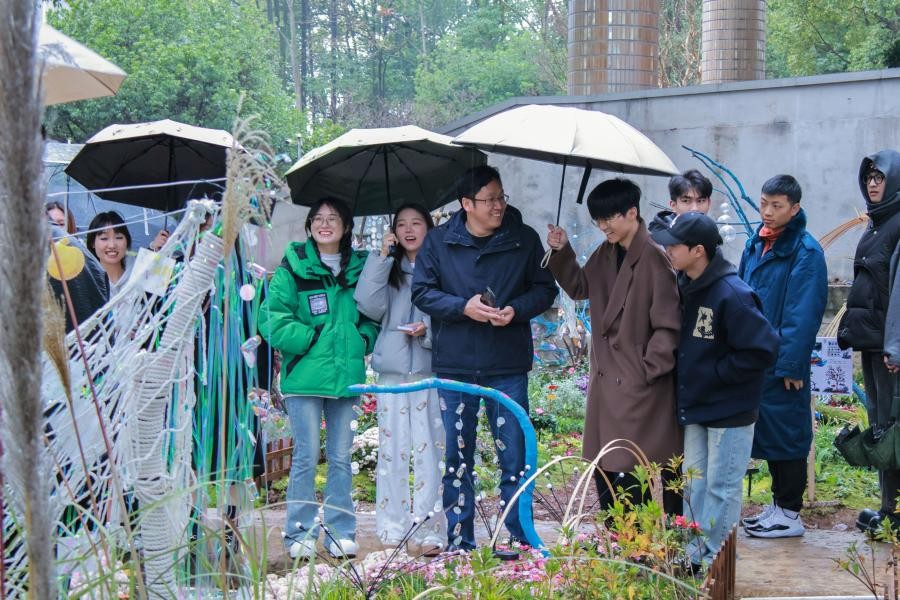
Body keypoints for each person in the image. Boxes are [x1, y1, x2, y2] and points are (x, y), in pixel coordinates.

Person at [411, 165, 558, 551]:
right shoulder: (439, 241)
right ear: (466, 204)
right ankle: (461, 541)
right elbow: (422, 292)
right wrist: (463, 307)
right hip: (456, 366)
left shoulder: (523, 239)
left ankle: (520, 538)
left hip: (506, 364)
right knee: (458, 457)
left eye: (501, 197)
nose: (498, 205)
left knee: (515, 456)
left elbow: (545, 289)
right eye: (489, 199)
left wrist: (516, 309)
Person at [546, 178, 682, 513]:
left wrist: (647, 368)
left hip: (638, 383)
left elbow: (668, 324)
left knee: (634, 466)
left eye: (609, 218)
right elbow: (580, 286)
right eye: (598, 220)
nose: (603, 226)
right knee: (608, 466)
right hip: (609, 378)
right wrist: (562, 250)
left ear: (632, 213)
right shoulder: (607, 252)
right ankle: (620, 537)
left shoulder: (654, 257)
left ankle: (641, 538)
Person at [651, 212, 779, 566]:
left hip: (730, 410)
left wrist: (717, 374)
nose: (668, 250)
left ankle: (716, 563)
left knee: (721, 488)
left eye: (675, 245)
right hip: (697, 406)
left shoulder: (732, 294)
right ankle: (694, 553)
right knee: (694, 483)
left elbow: (764, 349)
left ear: (698, 250)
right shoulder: (685, 285)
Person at [258, 198, 379, 559]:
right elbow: (271, 319)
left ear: (346, 227)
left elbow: (374, 314)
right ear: (310, 226)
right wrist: (311, 340)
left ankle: (341, 532)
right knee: (306, 457)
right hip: (305, 380)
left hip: (346, 379)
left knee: (340, 457)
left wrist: (362, 340)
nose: (325, 224)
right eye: (318, 219)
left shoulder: (360, 269)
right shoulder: (293, 269)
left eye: (333, 218)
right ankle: (300, 533)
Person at [738, 175, 828, 538]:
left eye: (777, 206)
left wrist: (791, 364)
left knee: (788, 432)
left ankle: (790, 513)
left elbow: (803, 314)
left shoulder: (805, 252)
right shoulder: (756, 243)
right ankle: (777, 507)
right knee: (770, 432)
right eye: (764, 203)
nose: (768, 212)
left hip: (782, 361)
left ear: (795, 209)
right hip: (756, 357)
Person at [354, 203, 446, 554]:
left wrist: (428, 329)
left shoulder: (441, 266)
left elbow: (451, 311)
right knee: (392, 452)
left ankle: (430, 530)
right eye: (402, 224)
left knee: (431, 452)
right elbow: (368, 305)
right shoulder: (387, 267)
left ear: (429, 229)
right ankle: (392, 526)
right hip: (392, 373)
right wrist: (381, 257)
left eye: (416, 223)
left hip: (429, 370)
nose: (409, 230)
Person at [838, 150, 900, 534]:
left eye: (880, 177)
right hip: (874, 343)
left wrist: (896, 345)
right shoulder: (877, 223)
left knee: (893, 428)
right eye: (869, 178)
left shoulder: (897, 224)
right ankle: (887, 507)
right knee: (880, 427)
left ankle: (895, 511)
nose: (873, 183)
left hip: (890, 349)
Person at [649, 169, 713, 233]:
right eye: (686, 201)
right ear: (673, 205)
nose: (695, 208)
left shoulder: (710, 233)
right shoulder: (659, 236)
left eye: (700, 201)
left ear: (709, 203)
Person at [86, 211, 133, 297]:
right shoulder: (87, 283)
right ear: (92, 243)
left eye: (118, 237)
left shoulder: (140, 273)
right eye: (104, 238)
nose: (112, 245)